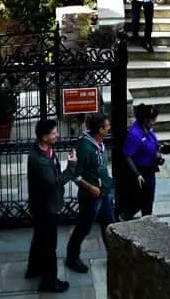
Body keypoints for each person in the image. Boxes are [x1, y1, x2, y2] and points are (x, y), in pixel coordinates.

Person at [26, 119, 78, 294]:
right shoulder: (40, 162)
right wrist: (71, 167)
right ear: (44, 137)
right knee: (49, 245)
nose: (57, 134)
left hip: (42, 205)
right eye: (54, 133)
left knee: (40, 238)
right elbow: (55, 183)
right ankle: (49, 282)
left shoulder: (44, 149)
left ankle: (33, 269)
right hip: (46, 208)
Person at [65, 113, 114, 274]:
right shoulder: (85, 148)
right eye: (107, 126)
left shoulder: (99, 143)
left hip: (104, 193)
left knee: (109, 224)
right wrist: (90, 188)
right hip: (91, 197)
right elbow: (76, 175)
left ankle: (113, 256)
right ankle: (72, 258)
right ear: (100, 130)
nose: (109, 128)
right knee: (84, 228)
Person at [120, 104, 170, 219]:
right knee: (139, 201)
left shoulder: (148, 129)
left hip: (150, 170)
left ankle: (147, 222)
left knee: (148, 201)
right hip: (140, 174)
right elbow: (127, 155)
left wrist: (160, 148)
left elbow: (152, 143)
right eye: (152, 120)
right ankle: (125, 218)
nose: (154, 122)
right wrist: (137, 174)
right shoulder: (134, 135)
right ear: (145, 119)